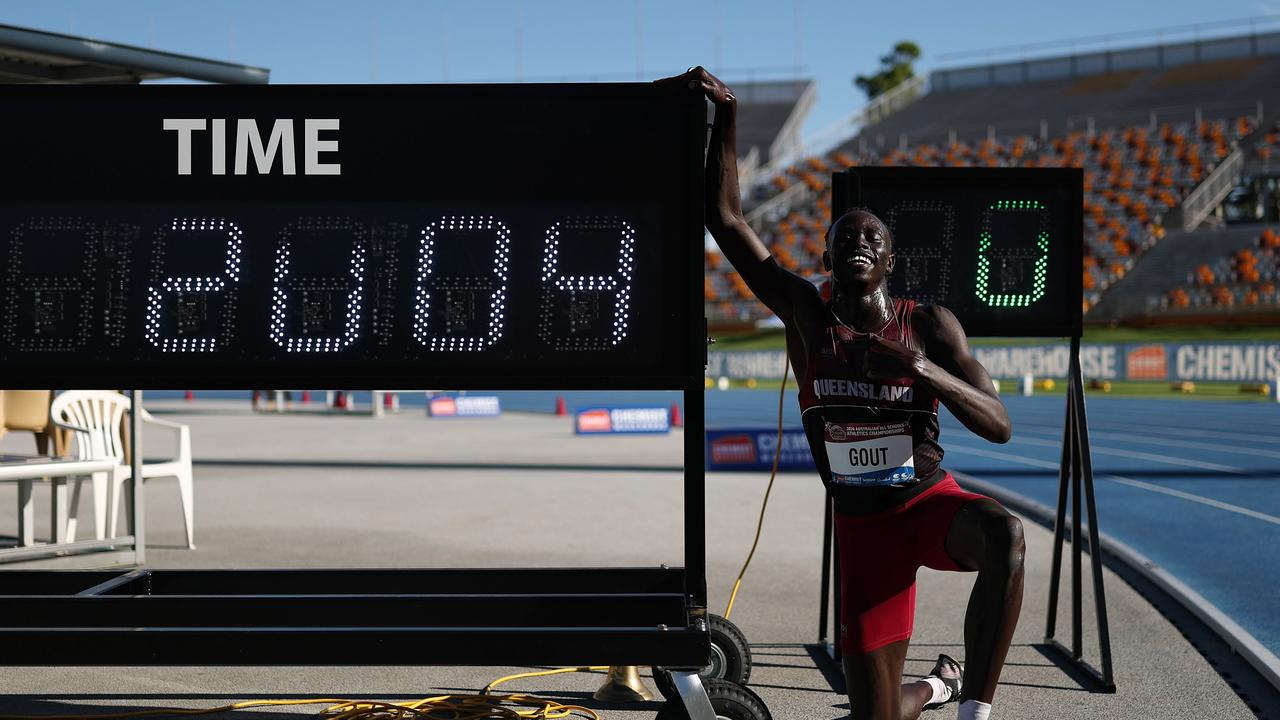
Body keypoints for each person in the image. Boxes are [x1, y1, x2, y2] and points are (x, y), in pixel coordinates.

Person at [668, 67, 1024, 720]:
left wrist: (919, 369)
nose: (858, 240)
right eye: (844, 237)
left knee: (1006, 535)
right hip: (863, 530)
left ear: (890, 261)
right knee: (875, 718)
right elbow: (723, 218)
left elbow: (999, 425)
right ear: (828, 260)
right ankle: (938, 687)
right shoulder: (808, 313)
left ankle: (975, 708)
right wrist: (727, 117)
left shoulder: (929, 324)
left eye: (873, 238)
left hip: (925, 504)